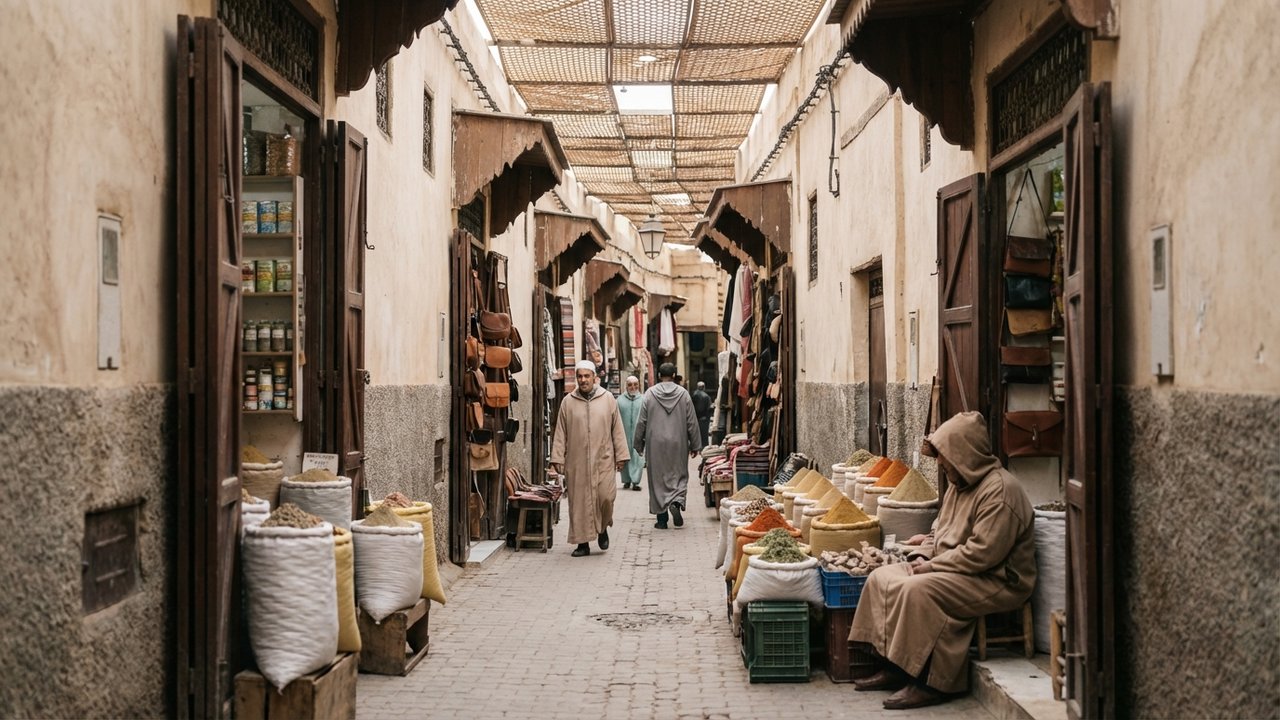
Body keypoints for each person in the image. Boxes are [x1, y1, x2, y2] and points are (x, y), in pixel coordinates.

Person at [849, 411, 1036, 709]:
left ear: (964, 454)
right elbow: (943, 529)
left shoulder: (1000, 491)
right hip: (957, 567)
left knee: (917, 591)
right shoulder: (958, 484)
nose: (940, 462)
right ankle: (895, 666)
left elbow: (983, 554)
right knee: (881, 578)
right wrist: (925, 544)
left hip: (997, 579)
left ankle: (931, 682)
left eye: (945, 456)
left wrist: (932, 565)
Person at [550, 360, 630, 557]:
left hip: (603, 459)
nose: (583, 380)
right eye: (580, 376)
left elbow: (617, 429)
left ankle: (602, 528)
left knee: (606, 497)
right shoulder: (568, 402)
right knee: (579, 503)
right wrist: (557, 458)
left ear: (595, 378)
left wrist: (621, 455)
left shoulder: (608, 398)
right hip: (576, 462)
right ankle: (582, 543)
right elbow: (560, 432)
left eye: (587, 376)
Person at [633, 363, 702, 529]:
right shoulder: (683, 394)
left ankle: (662, 520)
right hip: (678, 442)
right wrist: (695, 444)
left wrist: (638, 443)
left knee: (657, 479)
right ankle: (676, 502)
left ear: (658, 375)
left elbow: (641, 420)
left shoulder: (649, 394)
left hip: (655, 443)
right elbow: (691, 421)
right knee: (679, 474)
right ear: (674, 375)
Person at [616, 376, 645, 491]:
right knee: (625, 455)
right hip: (623, 433)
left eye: (635, 384)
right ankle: (626, 480)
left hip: (639, 435)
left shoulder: (643, 399)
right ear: (626, 386)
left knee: (638, 457)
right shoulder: (619, 400)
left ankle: (636, 481)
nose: (633, 387)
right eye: (630, 385)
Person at [691, 381, 713, 448]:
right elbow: (710, 407)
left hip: (695, 417)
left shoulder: (693, 395)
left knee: (696, 433)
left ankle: (695, 446)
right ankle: (703, 447)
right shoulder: (706, 396)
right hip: (704, 418)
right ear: (704, 387)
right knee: (704, 434)